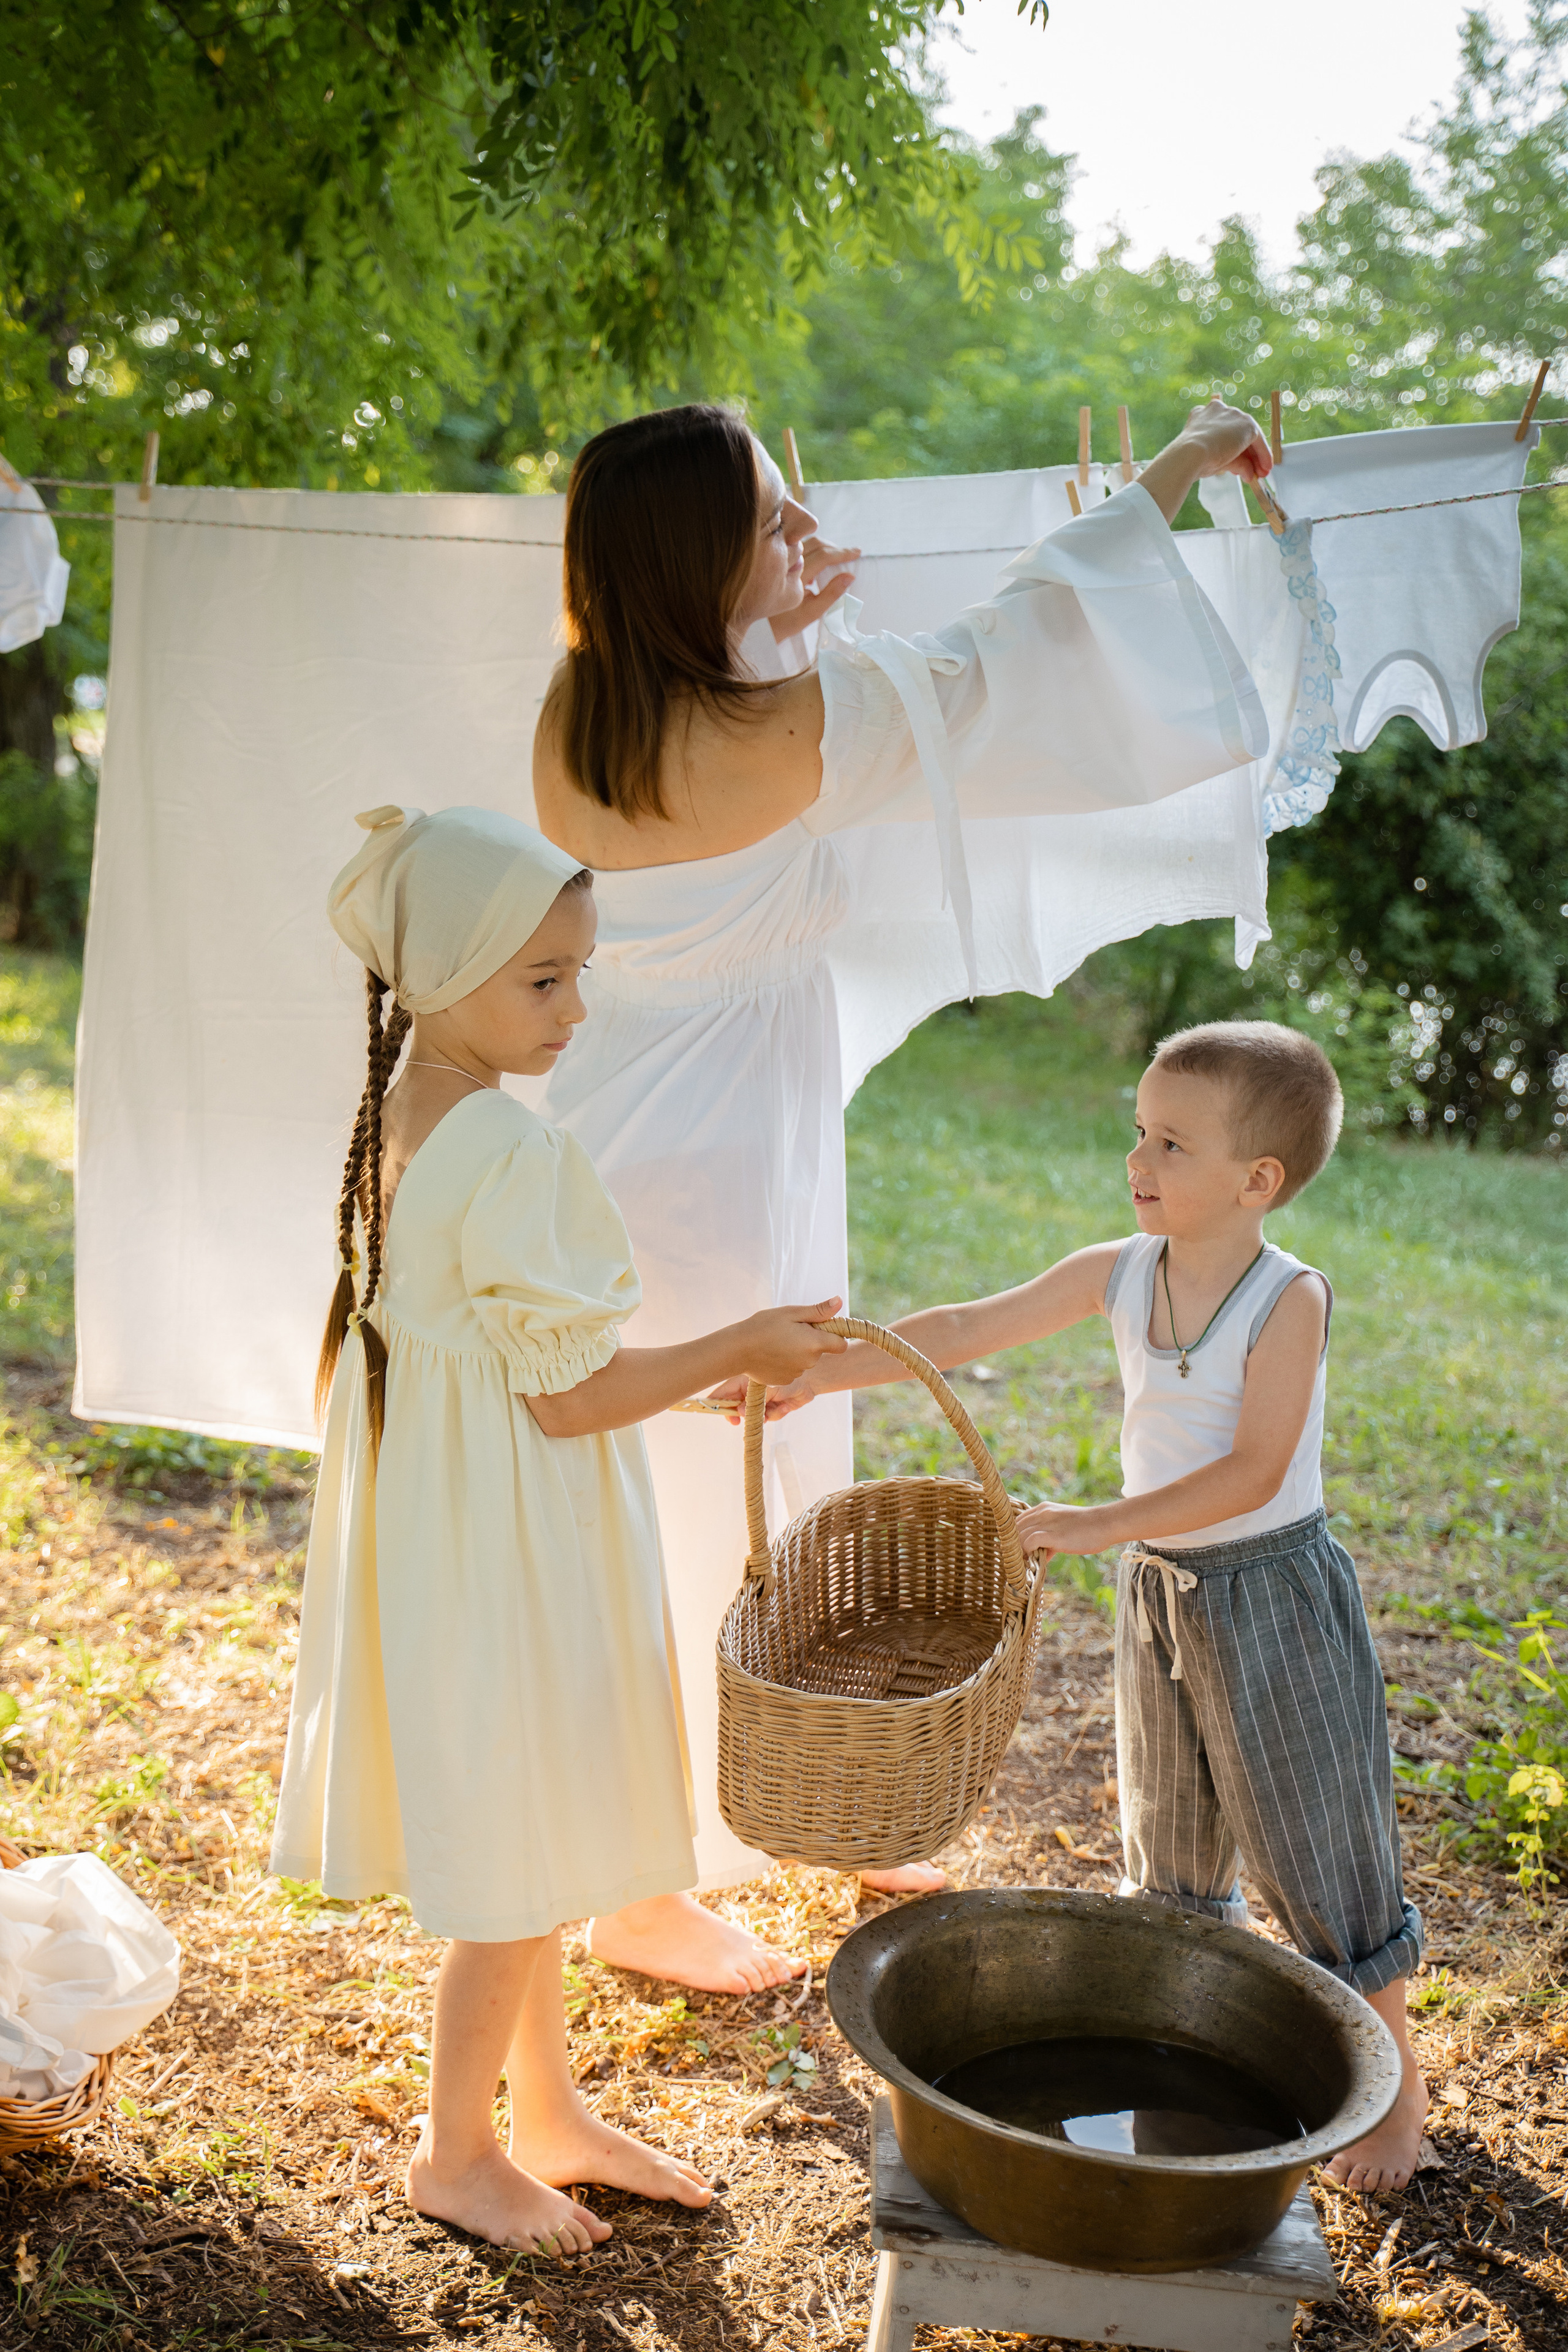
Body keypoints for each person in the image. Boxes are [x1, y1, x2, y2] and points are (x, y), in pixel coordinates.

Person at [530, 396, 1277, 1994]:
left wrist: (776, 621)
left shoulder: (584, 705)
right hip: (722, 1165)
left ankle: (796, 1760)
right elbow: (1012, 657)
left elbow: (788, 708)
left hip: (618, 1134)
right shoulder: (792, 726)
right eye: (775, 525)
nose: (813, 540)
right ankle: (643, 1876)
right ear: (693, 572)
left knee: (735, 1456)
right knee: (708, 1474)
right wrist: (1156, 487)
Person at [269, 804, 846, 2252]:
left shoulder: (408, 1104)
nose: (577, 1008)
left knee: (522, 1830)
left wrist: (704, 1373)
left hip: (457, 1524)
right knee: (515, 1864)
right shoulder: (506, 1154)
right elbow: (571, 1397)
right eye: (543, 978)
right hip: (512, 1539)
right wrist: (747, 1346)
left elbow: (509, 1358)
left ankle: (547, 2112)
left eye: (579, 971)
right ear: (445, 973)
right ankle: (454, 2151)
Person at [766, 1017, 1428, 2194]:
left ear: (1256, 1181)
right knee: (1172, 1837)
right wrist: (816, 1369)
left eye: (1171, 1143)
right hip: (1163, 1595)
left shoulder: (1288, 1300)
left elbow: (1256, 1471)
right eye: (1138, 1131)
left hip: (1269, 1593)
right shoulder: (1122, 1271)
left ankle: (1396, 2089)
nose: (1138, 1160)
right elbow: (965, 1330)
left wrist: (1095, 1524)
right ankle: (1194, 2031)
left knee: (1313, 1835)